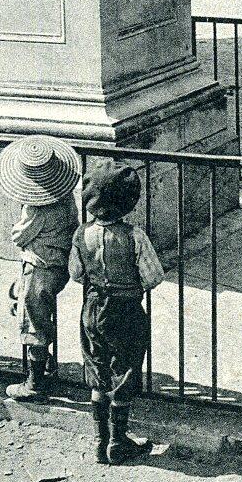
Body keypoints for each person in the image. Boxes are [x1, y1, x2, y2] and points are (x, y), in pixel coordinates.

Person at [69, 160, 164, 465]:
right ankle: (118, 441)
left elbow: (76, 274)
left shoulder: (81, 235)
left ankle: (99, 441)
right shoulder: (134, 235)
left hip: (93, 309)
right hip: (126, 310)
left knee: (97, 370)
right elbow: (153, 277)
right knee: (123, 371)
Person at [0, 135, 80, 401]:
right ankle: (44, 367)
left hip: (39, 266)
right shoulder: (65, 197)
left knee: (33, 322)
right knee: (33, 310)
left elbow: (19, 236)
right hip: (58, 263)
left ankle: (34, 383)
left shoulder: (36, 208)